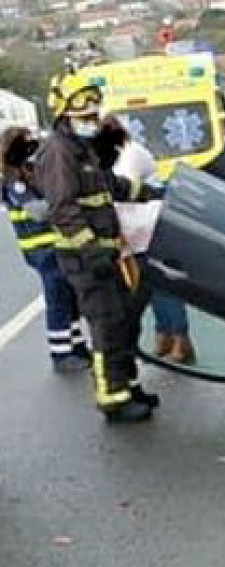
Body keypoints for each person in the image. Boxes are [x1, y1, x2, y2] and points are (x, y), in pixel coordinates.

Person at [38, 72, 162, 423]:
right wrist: (91, 250)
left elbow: (108, 187)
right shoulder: (58, 152)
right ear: (65, 116)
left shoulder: (82, 149)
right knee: (107, 323)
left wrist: (150, 193)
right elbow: (63, 209)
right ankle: (113, 398)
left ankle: (128, 383)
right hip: (84, 257)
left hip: (105, 252)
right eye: (84, 118)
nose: (92, 123)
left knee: (125, 320)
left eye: (94, 117)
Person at [94, 115, 197, 364]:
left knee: (162, 286)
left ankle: (181, 340)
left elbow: (124, 189)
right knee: (148, 287)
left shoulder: (130, 154)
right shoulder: (111, 155)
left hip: (148, 228)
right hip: (132, 231)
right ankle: (164, 335)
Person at [1, 127, 91, 373]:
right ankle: (61, 354)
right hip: (41, 250)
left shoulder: (32, 172)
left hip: (54, 247)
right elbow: (37, 212)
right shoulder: (14, 180)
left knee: (68, 298)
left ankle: (76, 345)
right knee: (57, 300)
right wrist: (61, 202)